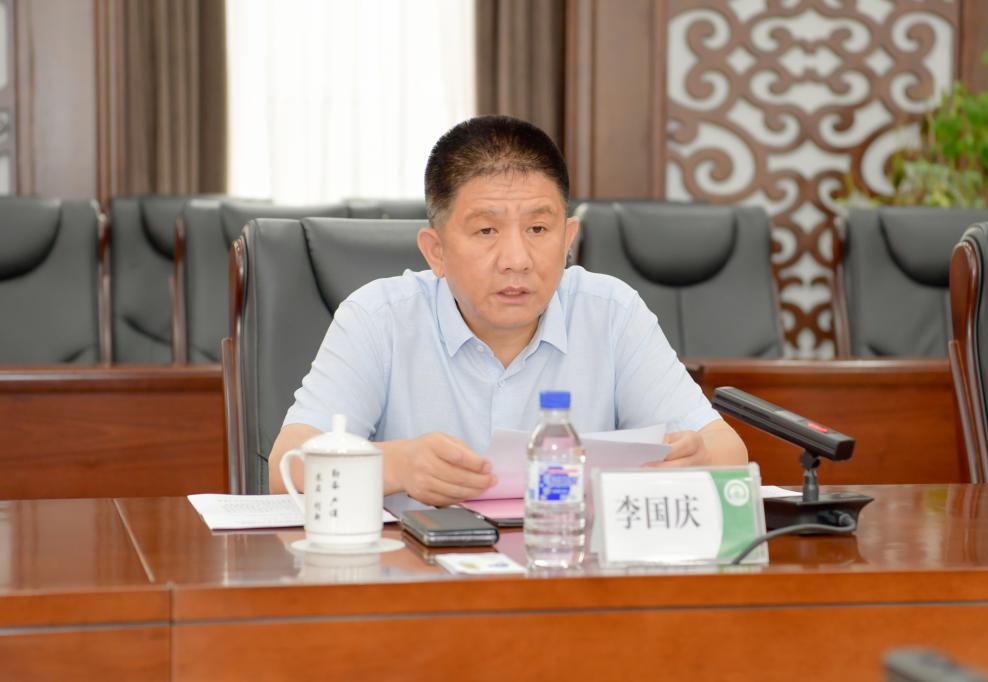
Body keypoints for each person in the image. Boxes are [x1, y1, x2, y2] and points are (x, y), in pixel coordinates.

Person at [268, 115, 747, 505]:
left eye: (538, 229)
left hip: (570, 575)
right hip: (415, 580)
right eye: (486, 231)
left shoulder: (611, 313)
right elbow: (287, 467)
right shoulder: (378, 317)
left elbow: (728, 450)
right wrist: (397, 465)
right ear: (435, 250)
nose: (516, 259)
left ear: (568, 240)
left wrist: (697, 458)